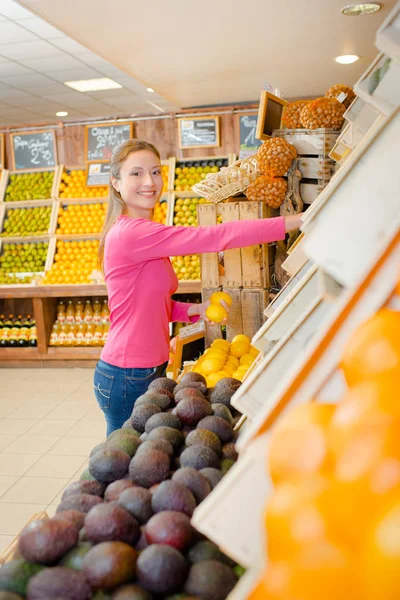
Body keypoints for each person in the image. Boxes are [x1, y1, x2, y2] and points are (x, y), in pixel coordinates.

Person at [94, 139, 303, 436]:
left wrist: (195, 310)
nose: (150, 182)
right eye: (136, 173)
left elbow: (146, 303)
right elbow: (218, 236)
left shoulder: (138, 233)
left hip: (142, 367)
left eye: (155, 172)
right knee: (122, 462)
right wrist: (297, 220)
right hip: (127, 373)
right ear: (115, 182)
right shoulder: (133, 233)